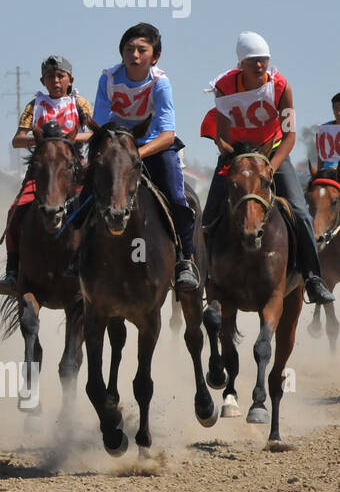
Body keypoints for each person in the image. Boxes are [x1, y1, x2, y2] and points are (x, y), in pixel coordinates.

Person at [200, 32, 334, 304]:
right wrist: (235, 159)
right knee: (209, 213)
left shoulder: (281, 86)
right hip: (237, 156)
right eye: (252, 61)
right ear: (241, 64)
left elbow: (290, 136)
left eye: (263, 60)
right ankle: (204, 277)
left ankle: (312, 277)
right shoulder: (225, 86)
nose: (259, 66)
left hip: (272, 153)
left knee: (299, 211)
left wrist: (270, 168)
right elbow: (223, 136)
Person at [91, 22, 200, 293]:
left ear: (155, 56)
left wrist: (135, 155)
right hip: (117, 150)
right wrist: (118, 154)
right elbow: (101, 126)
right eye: (129, 49)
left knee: (178, 197)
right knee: (84, 195)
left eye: (142, 49)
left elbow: (167, 134)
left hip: (154, 149)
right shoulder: (108, 78)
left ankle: (185, 260)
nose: (135, 55)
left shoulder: (160, 83)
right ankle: (77, 256)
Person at [0, 55, 93, 296]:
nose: (55, 81)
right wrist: (43, 143)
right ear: (43, 81)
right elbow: (17, 140)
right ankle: (12, 271)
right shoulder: (34, 106)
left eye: (60, 76)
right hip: (41, 171)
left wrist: (63, 141)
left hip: (75, 169)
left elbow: (92, 134)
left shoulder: (80, 104)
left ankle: (97, 265)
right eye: (50, 77)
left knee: (97, 208)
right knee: (15, 210)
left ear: (70, 79)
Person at [314, 92, 340, 171]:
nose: (339, 113)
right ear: (332, 110)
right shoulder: (324, 129)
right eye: (336, 109)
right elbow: (320, 157)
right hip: (327, 171)